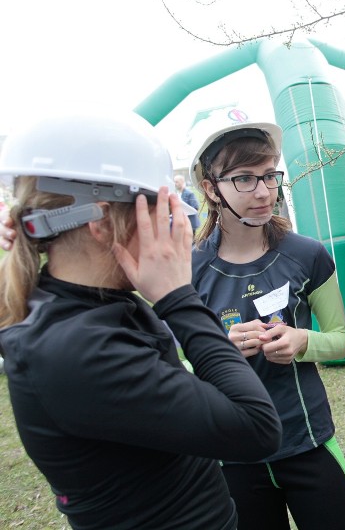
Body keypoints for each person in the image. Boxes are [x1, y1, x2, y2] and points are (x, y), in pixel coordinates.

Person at [0, 110, 281, 529]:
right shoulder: (78, 347)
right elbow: (256, 428)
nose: (173, 224)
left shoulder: (91, 305)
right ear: (100, 223)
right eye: (159, 208)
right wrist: (178, 297)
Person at [188, 108, 345, 530]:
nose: (264, 191)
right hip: (233, 456)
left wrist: (303, 341)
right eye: (245, 178)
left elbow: (342, 339)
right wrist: (219, 352)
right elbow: (169, 367)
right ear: (212, 188)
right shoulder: (186, 271)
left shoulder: (307, 254)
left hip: (308, 443)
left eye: (270, 175)